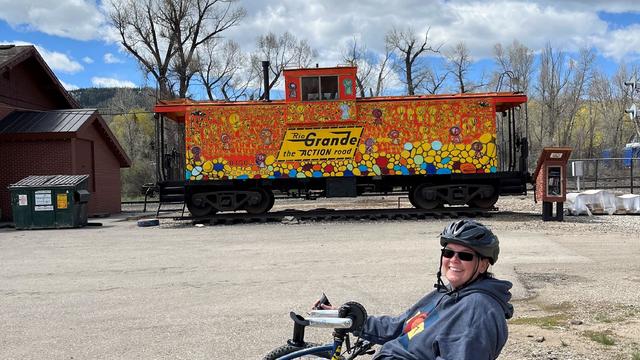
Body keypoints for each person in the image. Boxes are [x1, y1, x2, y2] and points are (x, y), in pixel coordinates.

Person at [317, 219, 513, 359]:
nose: (454, 260)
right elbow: (401, 325)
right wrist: (352, 320)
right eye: (449, 252)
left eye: (465, 256)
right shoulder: (449, 293)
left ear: (483, 265)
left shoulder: (477, 311)